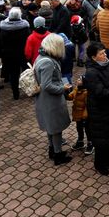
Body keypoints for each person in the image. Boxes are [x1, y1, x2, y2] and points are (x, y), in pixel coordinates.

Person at [84, 42, 109, 176]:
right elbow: (99, 92)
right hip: (99, 110)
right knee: (102, 139)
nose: (105, 55)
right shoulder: (91, 72)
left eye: (104, 52)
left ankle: (107, 158)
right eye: (101, 53)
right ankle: (99, 163)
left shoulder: (107, 63)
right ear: (93, 57)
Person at [34, 33, 73, 165]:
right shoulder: (48, 62)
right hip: (51, 101)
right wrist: (63, 88)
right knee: (56, 128)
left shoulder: (41, 57)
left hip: (44, 100)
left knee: (51, 127)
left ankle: (52, 150)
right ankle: (58, 155)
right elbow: (47, 85)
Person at [0, 7, 30, 100]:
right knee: (26, 73)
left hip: (9, 54)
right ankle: (28, 90)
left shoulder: (3, 27)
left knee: (14, 74)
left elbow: (1, 42)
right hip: (22, 53)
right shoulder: (25, 26)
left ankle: (15, 94)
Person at [66, 76, 93, 155]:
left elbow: (87, 106)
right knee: (79, 128)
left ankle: (90, 143)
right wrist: (66, 92)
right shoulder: (76, 89)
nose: (77, 80)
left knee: (88, 129)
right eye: (78, 79)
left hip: (84, 115)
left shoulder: (86, 92)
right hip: (77, 114)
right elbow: (70, 97)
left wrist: (85, 116)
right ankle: (80, 142)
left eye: (80, 79)